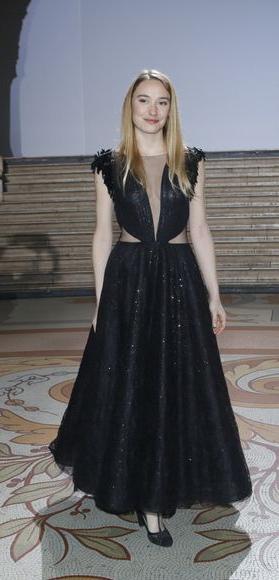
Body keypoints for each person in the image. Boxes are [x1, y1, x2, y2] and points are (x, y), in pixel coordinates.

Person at [49, 70, 251, 548]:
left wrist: (215, 293)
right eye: (144, 100)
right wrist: (102, 301)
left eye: (161, 102)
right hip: (129, 278)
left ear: (170, 109)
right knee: (133, 385)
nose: (152, 110)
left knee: (179, 383)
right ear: (130, 106)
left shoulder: (191, 161)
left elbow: (200, 231)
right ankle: (147, 503)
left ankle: (168, 485)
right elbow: (101, 235)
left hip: (180, 278)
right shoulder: (110, 164)